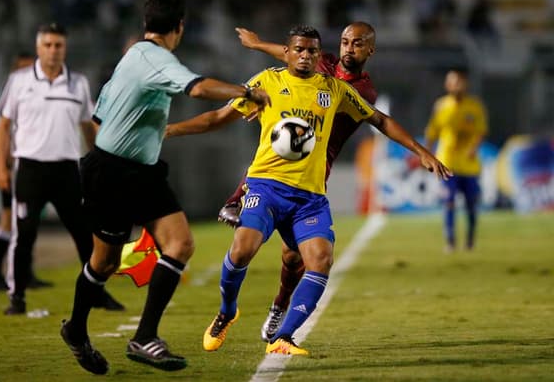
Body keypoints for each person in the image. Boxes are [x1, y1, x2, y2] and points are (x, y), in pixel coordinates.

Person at [165, 25, 451, 356]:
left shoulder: (340, 90)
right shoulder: (268, 82)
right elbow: (219, 116)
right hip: (268, 183)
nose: (306, 55)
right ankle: (228, 310)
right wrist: (171, 129)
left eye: (312, 51)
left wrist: (420, 151)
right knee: (243, 249)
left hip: (311, 189)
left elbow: (381, 120)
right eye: (299, 50)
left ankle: (283, 334)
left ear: (321, 56)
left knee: (314, 259)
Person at [59, 0, 270, 375]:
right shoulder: (156, 59)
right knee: (103, 262)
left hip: (139, 169)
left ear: (146, 24)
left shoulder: (132, 58)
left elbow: (100, 119)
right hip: (113, 172)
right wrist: (247, 92)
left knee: (180, 243)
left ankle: (144, 336)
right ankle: (76, 329)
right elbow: (198, 88)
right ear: (180, 27)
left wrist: (145, 135)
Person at [219, 23, 379, 342]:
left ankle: (280, 304)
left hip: (316, 167)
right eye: (345, 41)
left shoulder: (362, 92)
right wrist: (258, 46)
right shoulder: (324, 61)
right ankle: (237, 199)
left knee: (293, 257)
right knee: (273, 154)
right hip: (285, 154)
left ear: (369, 51)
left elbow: (328, 100)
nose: (349, 48)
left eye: (357, 44)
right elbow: (292, 53)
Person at [0, 23, 124, 315]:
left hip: (67, 170)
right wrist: (1, 168)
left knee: (85, 234)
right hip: (29, 169)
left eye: (58, 45)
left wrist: (98, 160)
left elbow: (87, 126)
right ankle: (16, 297)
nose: (53, 51)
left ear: (65, 48)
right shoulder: (18, 81)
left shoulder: (77, 83)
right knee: (23, 235)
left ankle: (97, 292)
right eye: (48, 45)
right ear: (39, 47)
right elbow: (3, 126)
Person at [0, 51, 53, 292]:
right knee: (9, 219)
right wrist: (4, 167)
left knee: (27, 220)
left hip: (29, 164)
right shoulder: (8, 96)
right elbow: (3, 132)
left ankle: (24, 273)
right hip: (14, 165)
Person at [425, 69, 488, 252]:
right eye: (451, 82)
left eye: (458, 81)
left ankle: (470, 240)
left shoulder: (475, 106)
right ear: (447, 85)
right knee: (449, 201)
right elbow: (432, 132)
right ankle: (450, 241)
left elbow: (481, 130)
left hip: (469, 165)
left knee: (471, 204)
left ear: (465, 84)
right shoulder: (441, 106)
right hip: (447, 163)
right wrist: (426, 155)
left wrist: (473, 149)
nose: (455, 85)